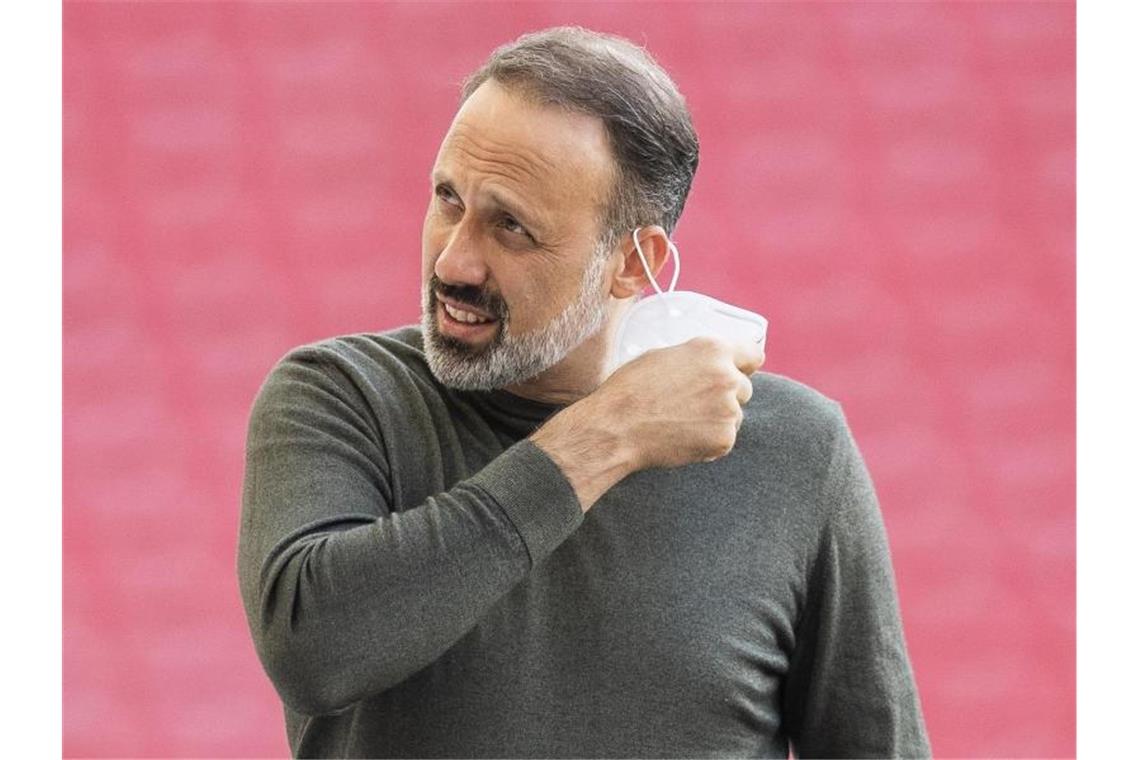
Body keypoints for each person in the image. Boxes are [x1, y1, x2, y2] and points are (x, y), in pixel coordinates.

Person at [238, 26, 931, 759]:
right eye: (449, 199)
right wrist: (606, 436)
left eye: (512, 227)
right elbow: (314, 648)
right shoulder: (343, 397)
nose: (455, 259)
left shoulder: (797, 450)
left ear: (635, 263)